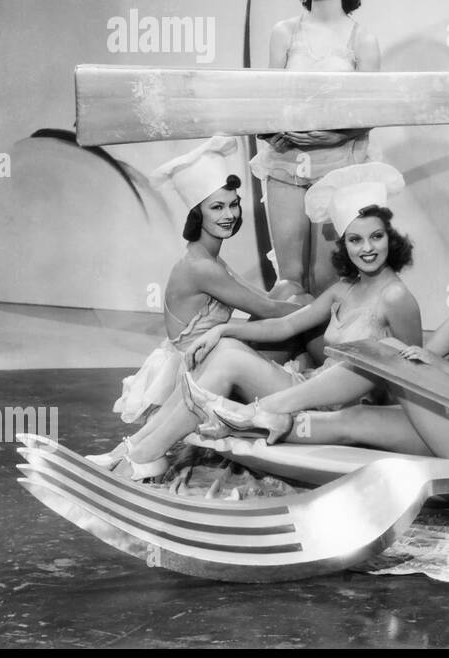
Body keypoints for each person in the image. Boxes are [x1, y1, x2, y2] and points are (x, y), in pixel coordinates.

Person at [190, 169, 449, 460]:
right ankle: (243, 426)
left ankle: (267, 408)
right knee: (351, 422)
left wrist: (437, 365)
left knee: (383, 351)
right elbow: (434, 349)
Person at [91, 163, 420, 479]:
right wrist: (223, 328)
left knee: (228, 359)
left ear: (390, 237)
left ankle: (145, 455)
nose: (367, 248)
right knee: (224, 348)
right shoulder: (344, 289)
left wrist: (374, 424)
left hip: (330, 412)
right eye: (355, 239)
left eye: (376, 237)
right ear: (344, 245)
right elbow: (286, 326)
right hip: (310, 389)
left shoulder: (395, 297)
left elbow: (413, 381)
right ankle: (142, 449)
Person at [88, 136, 306, 467]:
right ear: (197, 214)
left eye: (232, 204)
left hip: (205, 357)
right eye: (217, 207)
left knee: (291, 294)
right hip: (196, 366)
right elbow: (269, 310)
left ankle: (126, 452)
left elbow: (265, 300)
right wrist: (327, 311)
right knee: (298, 306)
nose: (229, 214)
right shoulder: (203, 268)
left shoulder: (209, 259)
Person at [250, 0, 382, 296]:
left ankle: (325, 357)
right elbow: (266, 104)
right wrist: (276, 131)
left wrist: (328, 137)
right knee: (290, 279)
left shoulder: (362, 39)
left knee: (327, 280)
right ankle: (287, 357)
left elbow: (372, 113)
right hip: (286, 163)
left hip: (340, 165)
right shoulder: (284, 33)